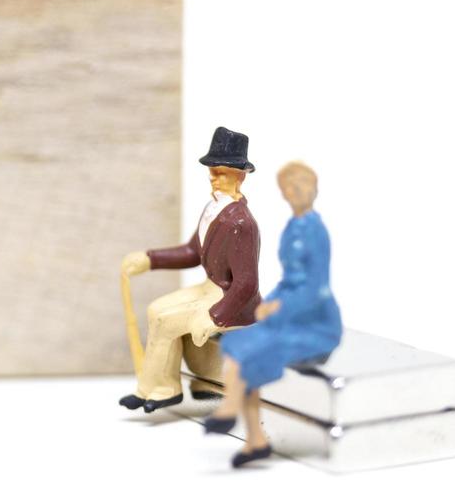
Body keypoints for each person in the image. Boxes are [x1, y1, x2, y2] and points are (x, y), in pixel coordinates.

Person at [205, 161, 342, 467]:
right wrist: (273, 301)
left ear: (312, 189)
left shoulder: (316, 231)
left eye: (300, 187)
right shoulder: (293, 226)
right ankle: (256, 439)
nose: (294, 193)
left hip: (315, 324)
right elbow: (288, 279)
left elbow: (316, 287)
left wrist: (282, 307)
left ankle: (229, 409)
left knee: (253, 353)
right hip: (288, 314)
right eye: (289, 189)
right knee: (239, 346)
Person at [119, 127, 262, 412]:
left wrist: (215, 316)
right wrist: (150, 259)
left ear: (240, 175)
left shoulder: (241, 223)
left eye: (221, 171)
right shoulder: (213, 209)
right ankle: (161, 385)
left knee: (165, 319)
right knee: (156, 309)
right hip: (211, 286)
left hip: (230, 298)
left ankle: (160, 389)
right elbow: (192, 252)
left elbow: (246, 283)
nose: (213, 176)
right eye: (212, 170)